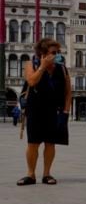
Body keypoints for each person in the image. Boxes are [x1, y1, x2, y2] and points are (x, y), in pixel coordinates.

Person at [17, 38, 71, 186]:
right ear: (43, 53)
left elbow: (68, 92)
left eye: (58, 52)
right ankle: (31, 174)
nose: (57, 55)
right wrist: (42, 67)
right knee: (33, 143)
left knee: (50, 143)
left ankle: (47, 174)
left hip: (54, 110)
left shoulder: (62, 68)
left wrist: (66, 112)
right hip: (35, 109)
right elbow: (32, 81)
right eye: (53, 52)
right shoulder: (31, 64)